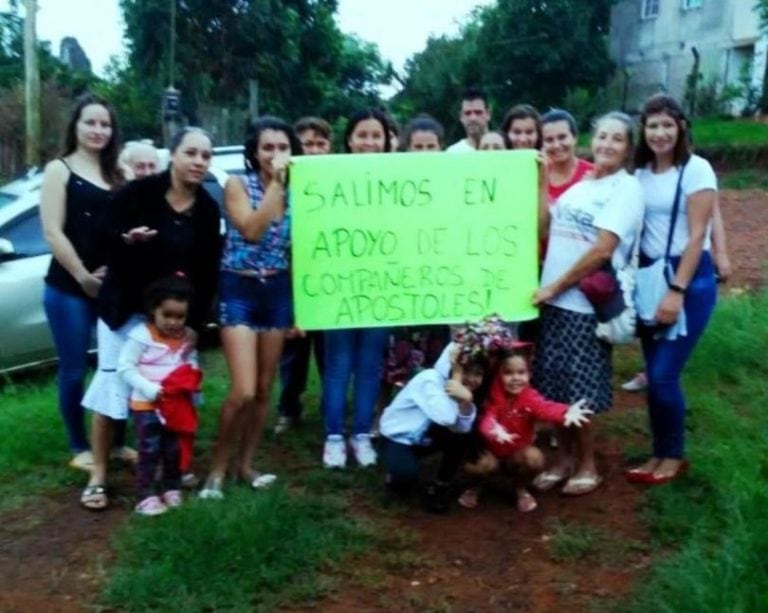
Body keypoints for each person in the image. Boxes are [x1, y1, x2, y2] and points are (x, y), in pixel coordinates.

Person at [80, 127, 221, 511]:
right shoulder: (138, 194)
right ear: (172, 154)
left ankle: (170, 469)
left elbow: (209, 270)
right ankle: (98, 475)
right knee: (113, 390)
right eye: (191, 153)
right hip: (125, 308)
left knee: (172, 391)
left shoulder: (207, 208)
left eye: (205, 156)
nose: (198, 162)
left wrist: (198, 322)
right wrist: (125, 239)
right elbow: (97, 236)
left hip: (174, 318)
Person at [531, 111, 644, 496]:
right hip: (554, 305)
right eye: (603, 137)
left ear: (628, 148)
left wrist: (555, 287)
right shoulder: (581, 186)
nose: (607, 145)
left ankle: (587, 464)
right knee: (553, 385)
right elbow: (545, 229)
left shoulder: (625, 189)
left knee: (580, 389)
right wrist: (543, 181)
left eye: (617, 139)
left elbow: (602, 250)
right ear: (591, 141)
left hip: (582, 305)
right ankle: (562, 459)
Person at [199, 116, 301, 498]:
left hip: (276, 288)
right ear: (254, 152)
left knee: (262, 389)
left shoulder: (304, 190)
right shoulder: (237, 185)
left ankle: (245, 464)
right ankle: (217, 470)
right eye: (267, 147)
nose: (275, 154)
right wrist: (276, 184)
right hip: (239, 285)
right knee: (241, 390)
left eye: (282, 147)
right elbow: (252, 230)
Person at [625, 95, 718, 485]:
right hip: (648, 276)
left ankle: (674, 455)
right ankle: (658, 453)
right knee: (654, 371)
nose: (659, 133)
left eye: (667, 125)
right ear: (643, 132)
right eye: (652, 126)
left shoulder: (696, 170)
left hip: (687, 278)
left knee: (663, 375)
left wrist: (677, 289)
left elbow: (699, 234)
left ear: (680, 126)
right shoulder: (640, 174)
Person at [39, 93, 132, 473]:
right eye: (90, 122)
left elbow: (126, 228)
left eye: (105, 124)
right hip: (68, 288)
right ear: (75, 126)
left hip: (113, 287)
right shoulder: (58, 170)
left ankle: (116, 443)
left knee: (116, 365)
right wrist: (82, 276)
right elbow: (52, 231)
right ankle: (80, 446)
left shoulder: (119, 175)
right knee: (75, 368)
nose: (97, 130)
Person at [321, 109, 391, 469]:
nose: (369, 142)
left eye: (376, 136)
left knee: (368, 367)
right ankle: (334, 437)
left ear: (387, 140)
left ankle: (361, 434)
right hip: (339, 289)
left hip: (382, 288)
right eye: (362, 135)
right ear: (349, 139)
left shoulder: (400, 181)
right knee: (338, 365)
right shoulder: (327, 179)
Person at [459, 347, 592, 512]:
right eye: (508, 373)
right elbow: (487, 419)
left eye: (521, 372)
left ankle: (520, 488)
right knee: (477, 463)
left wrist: (565, 412)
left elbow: (546, 407)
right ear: (498, 375)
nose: (515, 378)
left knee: (533, 458)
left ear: (529, 374)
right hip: (490, 452)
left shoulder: (529, 397)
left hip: (516, 453)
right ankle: (477, 486)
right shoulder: (492, 396)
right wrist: (494, 430)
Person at [118, 275, 201, 516]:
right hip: (147, 406)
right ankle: (145, 495)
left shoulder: (185, 337)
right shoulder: (140, 336)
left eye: (180, 316)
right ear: (154, 309)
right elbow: (125, 367)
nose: (174, 322)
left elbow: (189, 360)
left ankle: (171, 487)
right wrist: (148, 388)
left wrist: (192, 375)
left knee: (174, 449)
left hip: (175, 406)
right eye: (167, 315)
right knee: (149, 449)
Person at [274, 117, 332, 434]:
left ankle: (330, 406)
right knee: (293, 353)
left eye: (320, 143)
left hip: (328, 284)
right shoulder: (281, 187)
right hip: (290, 280)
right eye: (307, 144)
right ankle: (288, 408)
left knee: (327, 352)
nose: (313, 150)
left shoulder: (339, 185)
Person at [379, 345, 486, 513]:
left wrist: (466, 401)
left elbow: (462, 429)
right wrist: (457, 377)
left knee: (462, 436)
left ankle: (440, 485)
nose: (472, 379)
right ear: (451, 366)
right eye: (466, 371)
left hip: (424, 436)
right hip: (398, 438)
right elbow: (446, 417)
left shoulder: (465, 391)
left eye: (478, 374)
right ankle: (393, 474)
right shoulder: (430, 379)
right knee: (404, 478)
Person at [541, 109, 593, 202]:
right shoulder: (539, 175)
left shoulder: (593, 174)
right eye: (549, 140)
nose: (556, 145)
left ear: (575, 137)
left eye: (562, 137)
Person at [447, 87, 491, 152]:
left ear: (488, 114)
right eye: (467, 113)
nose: (472, 118)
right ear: (461, 116)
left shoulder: (503, 147)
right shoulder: (453, 153)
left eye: (478, 112)